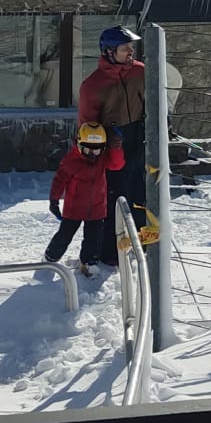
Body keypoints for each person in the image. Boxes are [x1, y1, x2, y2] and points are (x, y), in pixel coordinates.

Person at [78, 24, 145, 265]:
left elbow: (153, 102)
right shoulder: (93, 85)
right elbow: (86, 126)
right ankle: (108, 254)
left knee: (142, 196)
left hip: (139, 139)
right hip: (111, 147)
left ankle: (142, 246)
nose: (130, 52)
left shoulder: (140, 72)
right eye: (125, 48)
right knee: (114, 201)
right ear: (109, 51)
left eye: (131, 47)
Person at [47, 123, 123, 276]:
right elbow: (59, 181)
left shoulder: (102, 159)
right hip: (74, 208)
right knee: (64, 236)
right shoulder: (71, 161)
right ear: (79, 144)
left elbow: (117, 165)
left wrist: (115, 147)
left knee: (93, 240)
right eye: (88, 149)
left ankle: (89, 263)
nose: (93, 154)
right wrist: (54, 201)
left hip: (97, 208)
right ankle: (50, 258)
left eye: (97, 149)